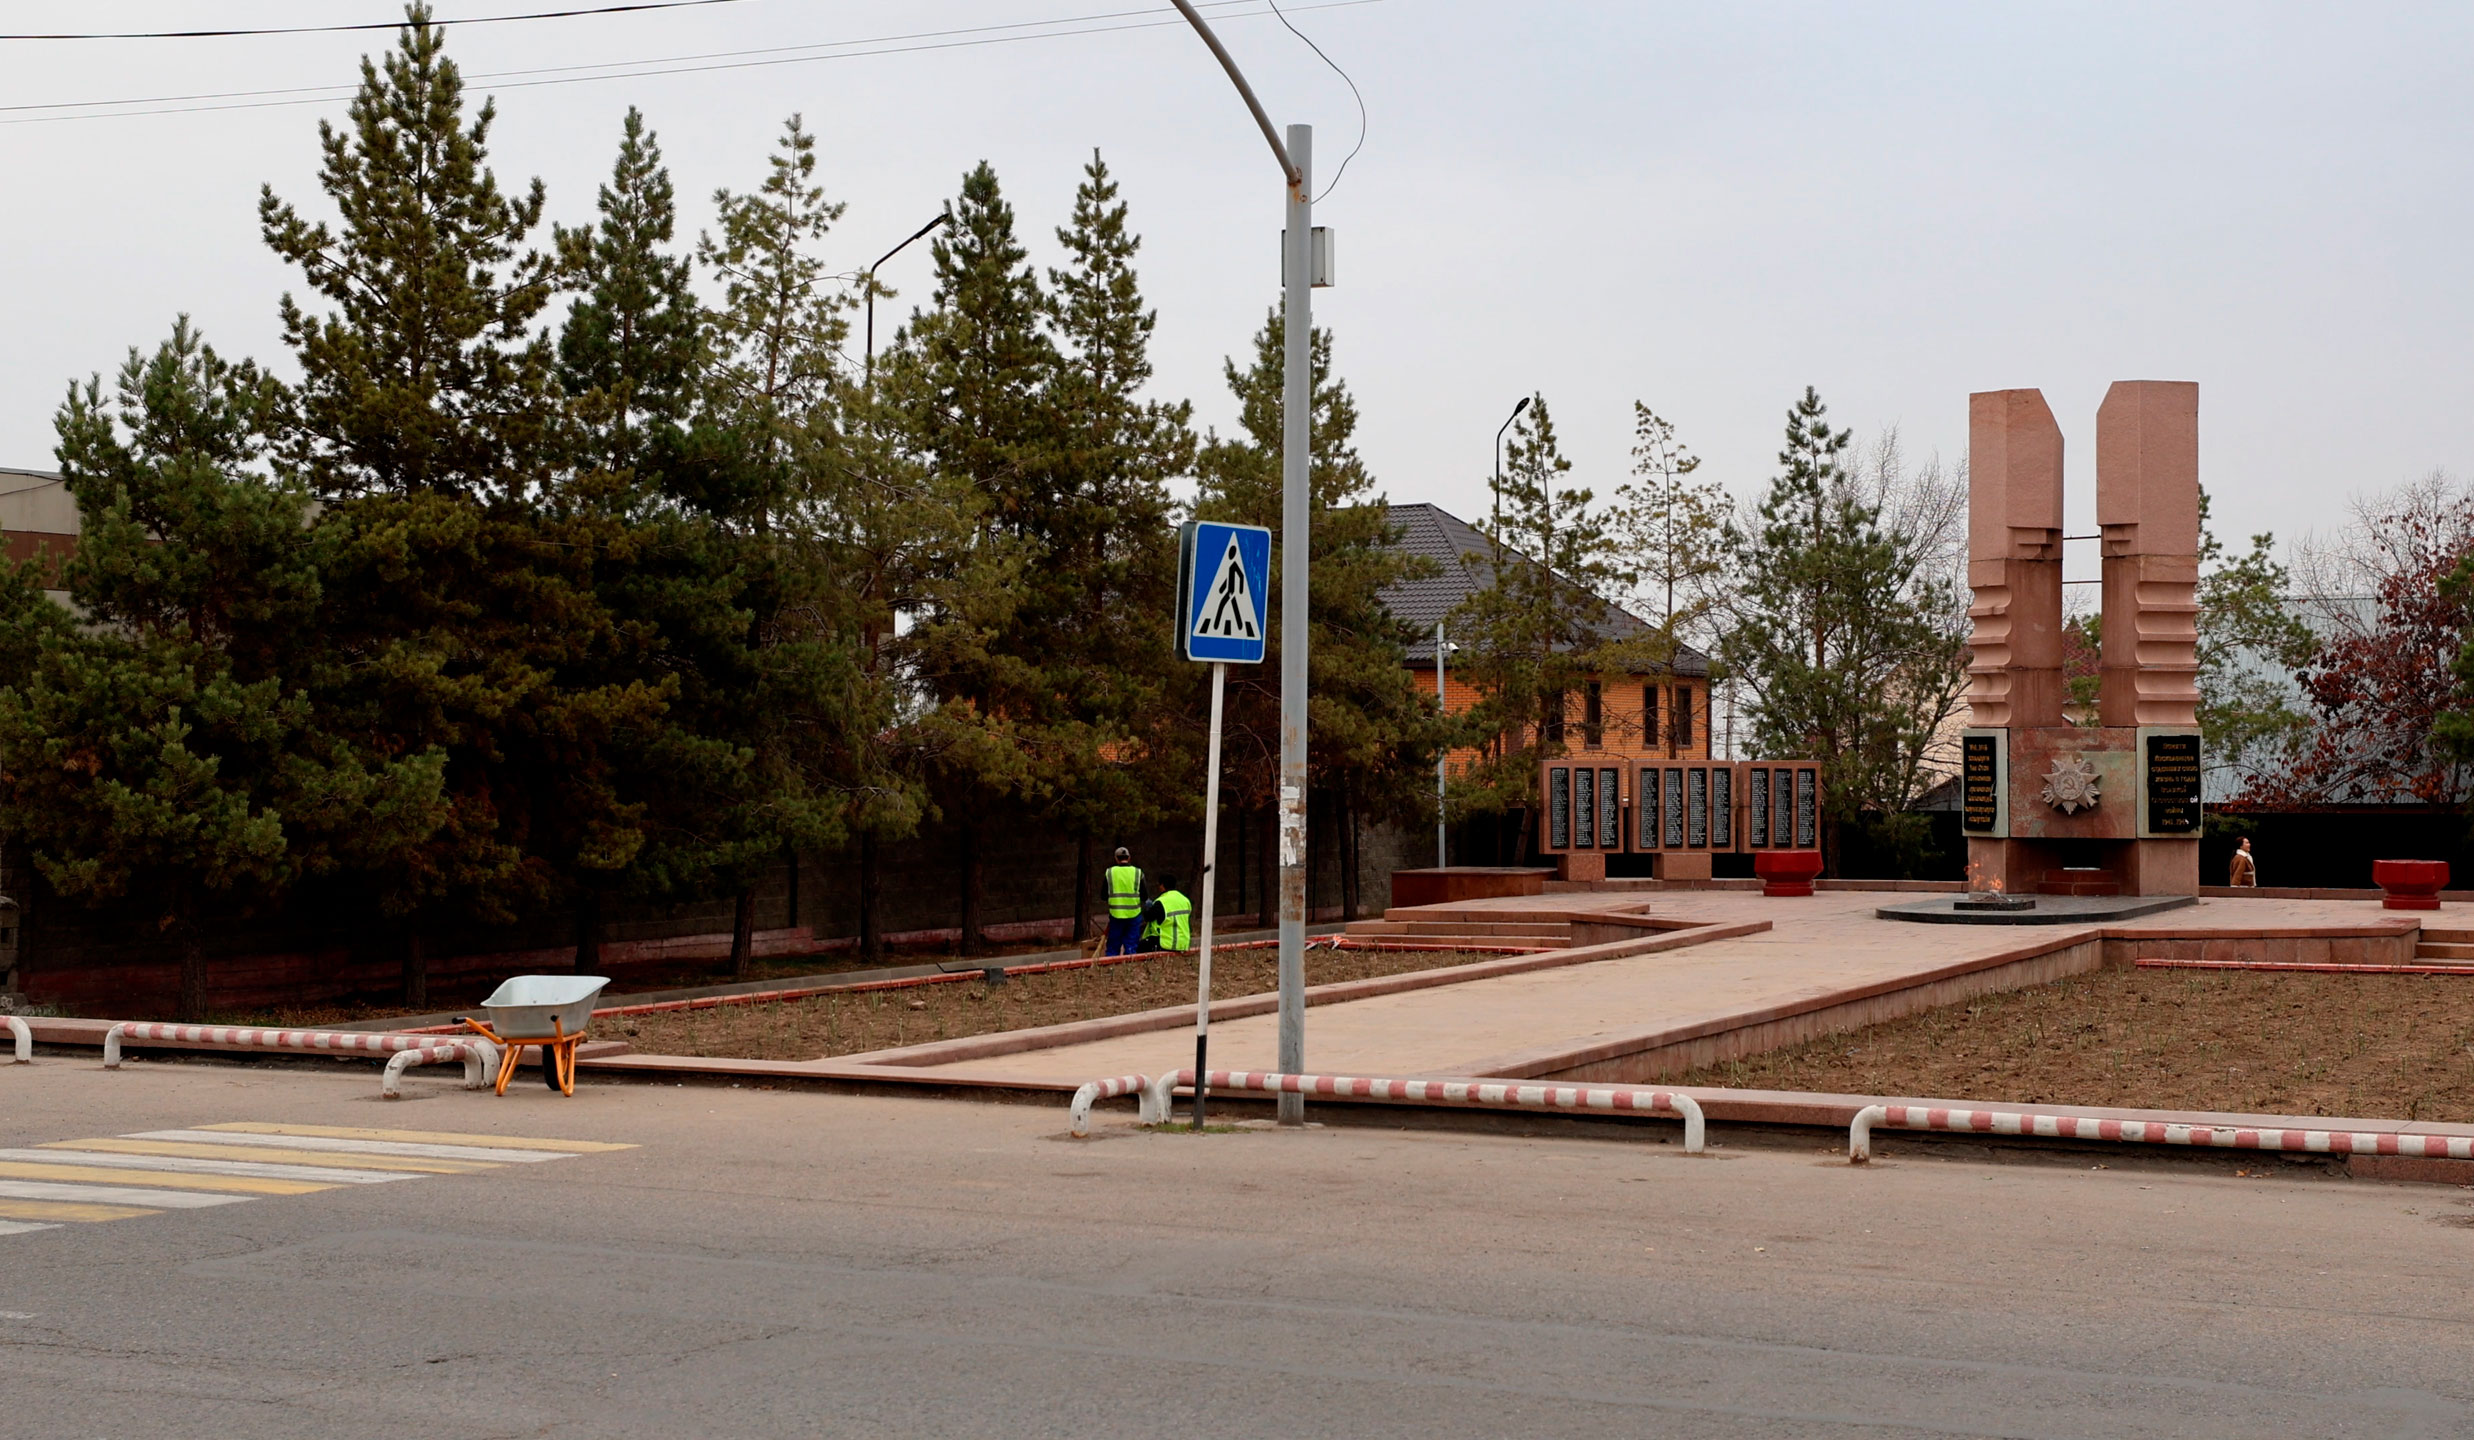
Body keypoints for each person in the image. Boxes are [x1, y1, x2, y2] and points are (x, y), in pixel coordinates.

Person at [1103, 847, 1146, 957]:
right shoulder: (1138, 872)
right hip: (1134, 914)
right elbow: (1144, 896)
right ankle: (1130, 965)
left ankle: (1111, 964)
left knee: (1113, 946)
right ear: (1129, 858)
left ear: (1116, 858)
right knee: (1131, 946)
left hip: (1116, 914)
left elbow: (1103, 895)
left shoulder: (1110, 872)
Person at [1141, 873, 1194, 953]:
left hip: (1167, 943)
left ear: (1162, 886)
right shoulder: (1185, 900)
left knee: (1141, 947)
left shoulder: (1161, 901)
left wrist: (1147, 908)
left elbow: (1148, 917)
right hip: (1183, 943)